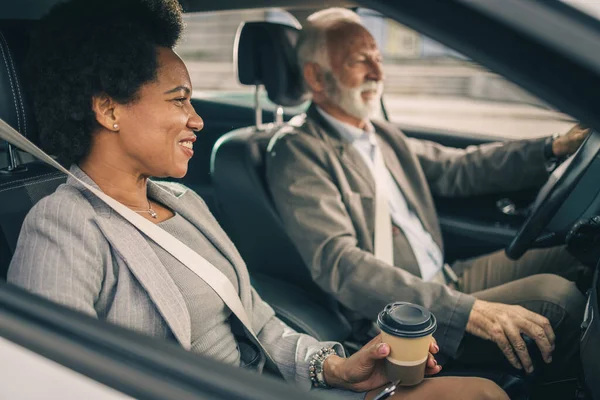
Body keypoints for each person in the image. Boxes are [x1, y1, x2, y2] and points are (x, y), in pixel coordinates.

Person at [5, 0, 508, 399]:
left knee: (481, 393)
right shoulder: (63, 226)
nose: (197, 118)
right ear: (108, 109)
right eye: (179, 99)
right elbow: (52, 382)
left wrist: (336, 367)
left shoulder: (184, 203)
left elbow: (260, 322)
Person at [265, 7, 588, 383]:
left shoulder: (381, 135)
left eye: (378, 58)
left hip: (446, 278)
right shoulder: (298, 152)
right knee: (558, 302)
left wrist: (553, 147)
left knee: (575, 247)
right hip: (401, 319)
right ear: (315, 77)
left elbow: (460, 168)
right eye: (359, 61)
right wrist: (465, 312)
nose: (377, 72)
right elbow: (341, 263)